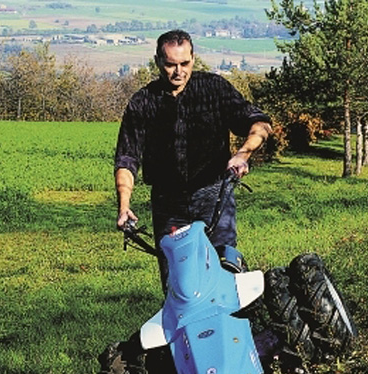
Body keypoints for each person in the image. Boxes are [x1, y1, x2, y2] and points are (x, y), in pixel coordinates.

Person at [114, 29, 272, 289]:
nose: (178, 71)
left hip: (214, 196)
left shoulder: (214, 88)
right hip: (168, 204)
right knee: (178, 285)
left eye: (185, 63)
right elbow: (127, 158)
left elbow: (260, 123)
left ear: (193, 59)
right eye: (170, 65)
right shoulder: (142, 103)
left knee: (224, 274)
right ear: (157, 62)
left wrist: (243, 154)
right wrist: (124, 205)